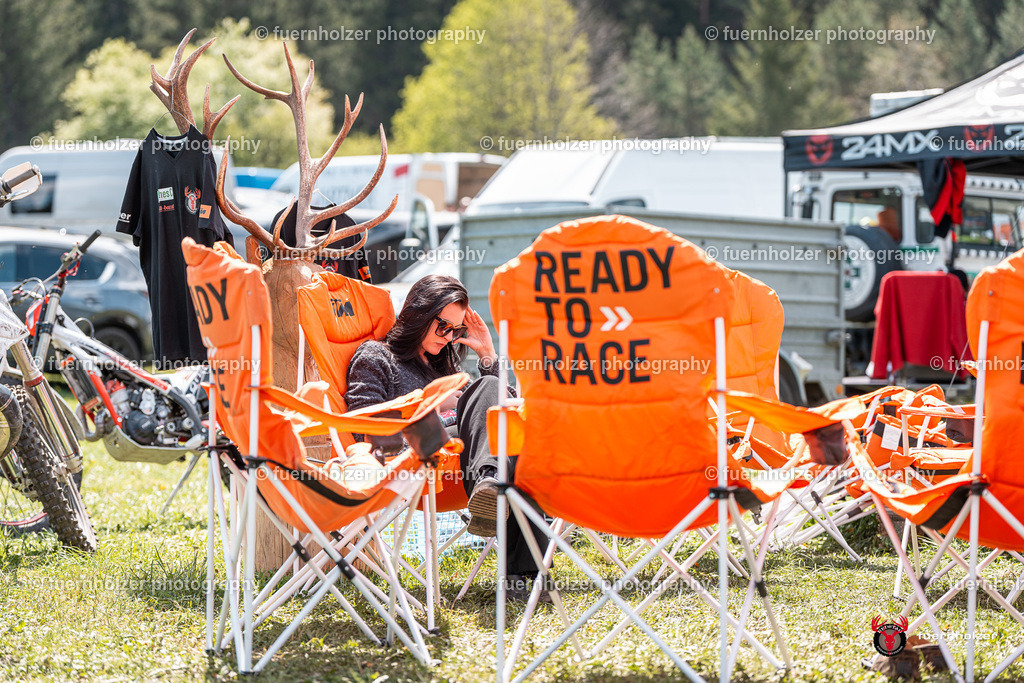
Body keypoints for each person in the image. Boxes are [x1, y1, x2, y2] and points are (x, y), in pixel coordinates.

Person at [345, 274, 545, 600]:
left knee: (511, 431)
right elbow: (366, 429)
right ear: (419, 314)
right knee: (487, 396)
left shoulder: (442, 367)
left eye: (456, 330)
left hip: (464, 463)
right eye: (443, 327)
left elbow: (507, 412)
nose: (449, 337)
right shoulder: (376, 356)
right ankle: (493, 487)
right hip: (417, 462)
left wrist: (487, 354)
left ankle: (521, 575)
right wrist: (432, 407)